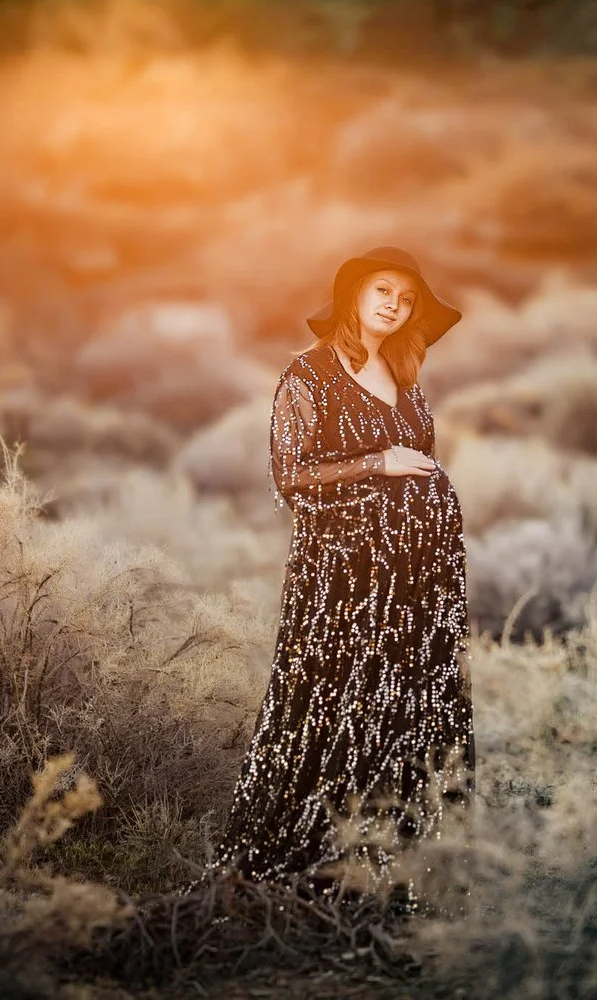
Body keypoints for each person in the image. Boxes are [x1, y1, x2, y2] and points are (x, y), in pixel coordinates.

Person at [208, 246, 475, 908]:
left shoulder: (406, 377)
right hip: (342, 584)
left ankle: (398, 870)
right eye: (383, 289)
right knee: (335, 707)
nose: (395, 303)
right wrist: (376, 463)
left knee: (405, 709)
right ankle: (310, 869)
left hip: (416, 585)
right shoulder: (309, 377)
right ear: (352, 294)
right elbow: (291, 476)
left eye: (408, 298)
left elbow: (425, 464)